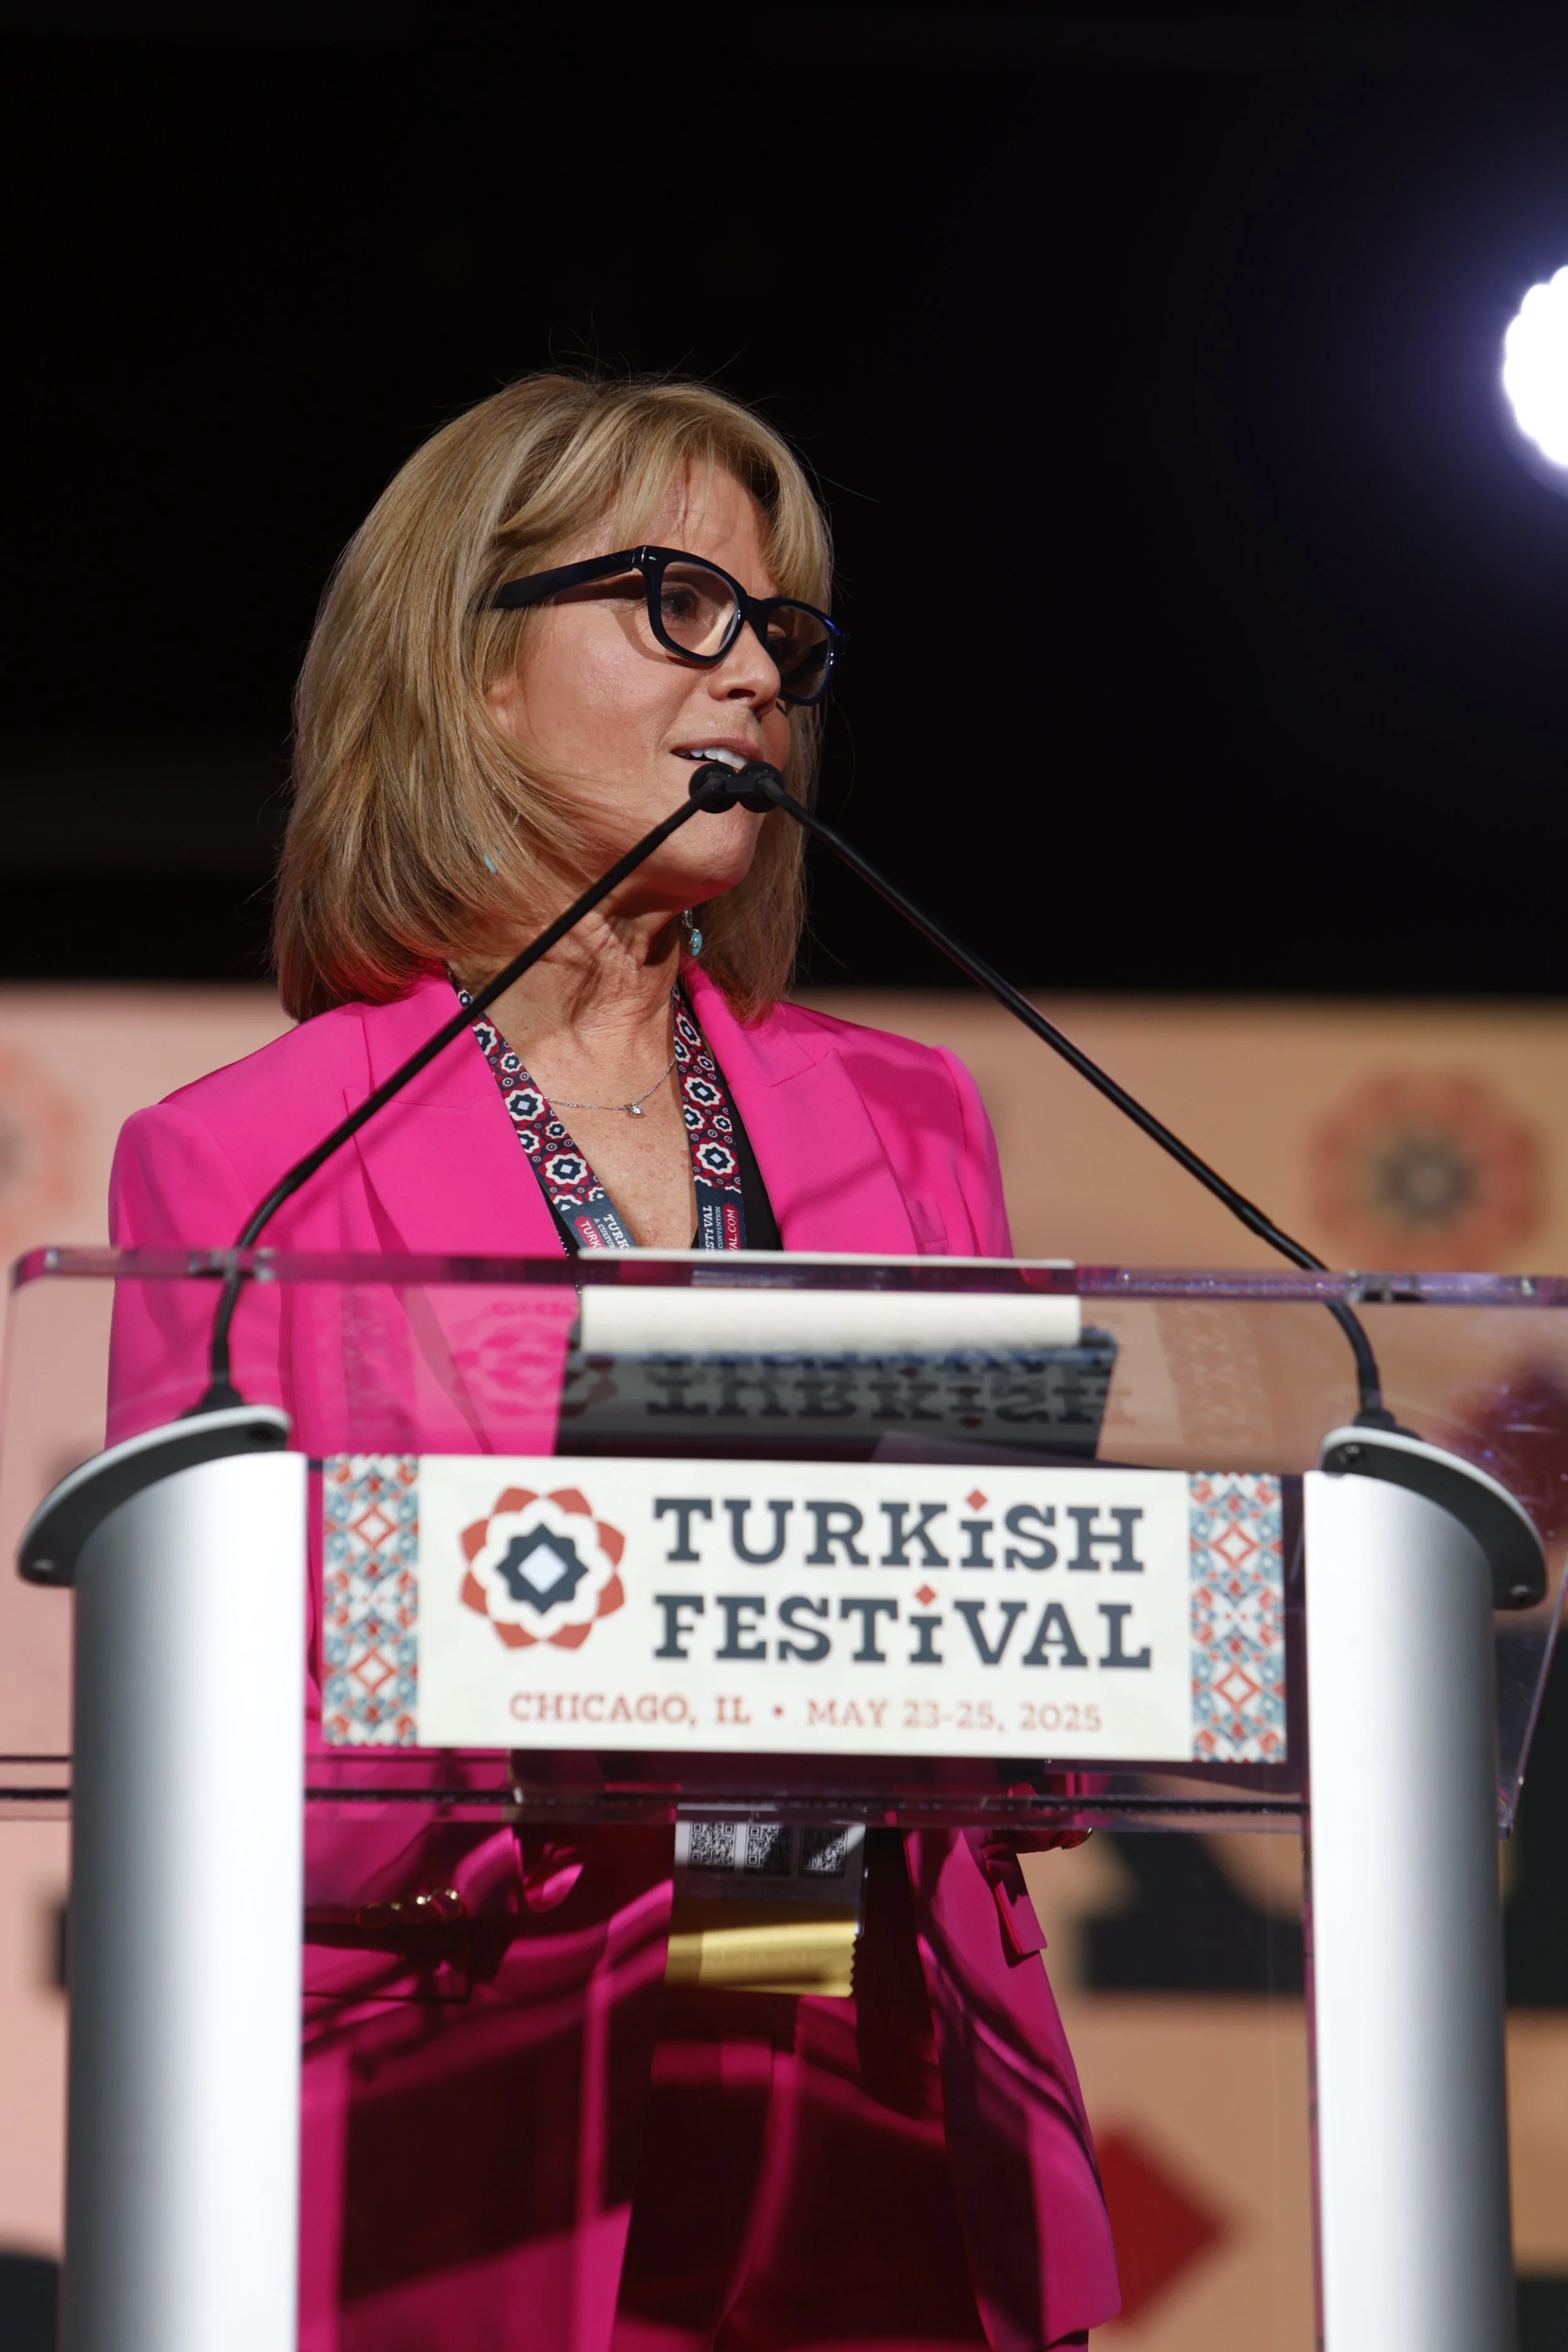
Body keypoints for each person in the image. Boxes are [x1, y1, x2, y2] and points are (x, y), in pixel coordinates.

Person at [106, 374, 1120, 2351]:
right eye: (673, 604)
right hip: (475, 2113)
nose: (748, 676)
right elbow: (210, 1757)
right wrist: (575, 1690)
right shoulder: (249, 1158)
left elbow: (1025, 1641)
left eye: (777, 632)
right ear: (469, 669)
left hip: (870, 2073)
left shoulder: (909, 1117)